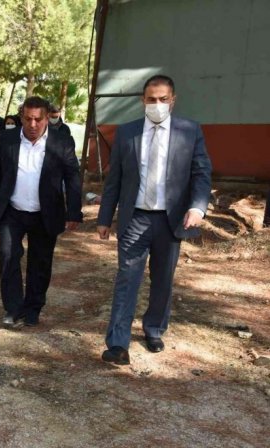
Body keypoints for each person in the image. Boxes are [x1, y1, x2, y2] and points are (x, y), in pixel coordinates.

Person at [97, 75, 212, 365]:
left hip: (170, 220)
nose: (157, 104)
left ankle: (154, 328)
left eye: (163, 99)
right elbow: (115, 179)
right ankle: (118, 344)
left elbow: (201, 173)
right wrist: (105, 217)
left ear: (173, 100)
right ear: (142, 100)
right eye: (151, 99)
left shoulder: (189, 130)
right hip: (135, 218)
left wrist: (198, 207)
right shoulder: (127, 133)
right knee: (126, 279)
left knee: (163, 279)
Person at [0, 96, 83, 327]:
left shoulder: (62, 142)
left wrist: (73, 211)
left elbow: (72, 177)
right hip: (12, 211)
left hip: (45, 212)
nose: (32, 125)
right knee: (7, 256)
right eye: (28, 119)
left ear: (46, 119)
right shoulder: (7, 139)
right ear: (21, 117)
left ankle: (33, 308)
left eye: (38, 120)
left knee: (40, 263)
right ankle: (13, 308)